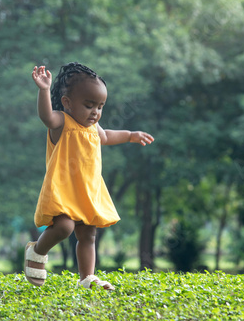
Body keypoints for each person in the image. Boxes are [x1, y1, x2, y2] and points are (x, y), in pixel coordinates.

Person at [25, 62, 154, 290]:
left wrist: (130, 135)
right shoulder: (62, 123)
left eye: (100, 106)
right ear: (67, 103)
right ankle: (36, 251)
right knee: (64, 228)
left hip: (87, 190)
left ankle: (87, 278)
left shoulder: (94, 128)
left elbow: (109, 136)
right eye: (89, 105)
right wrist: (43, 89)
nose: (95, 112)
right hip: (63, 189)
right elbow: (46, 117)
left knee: (88, 235)